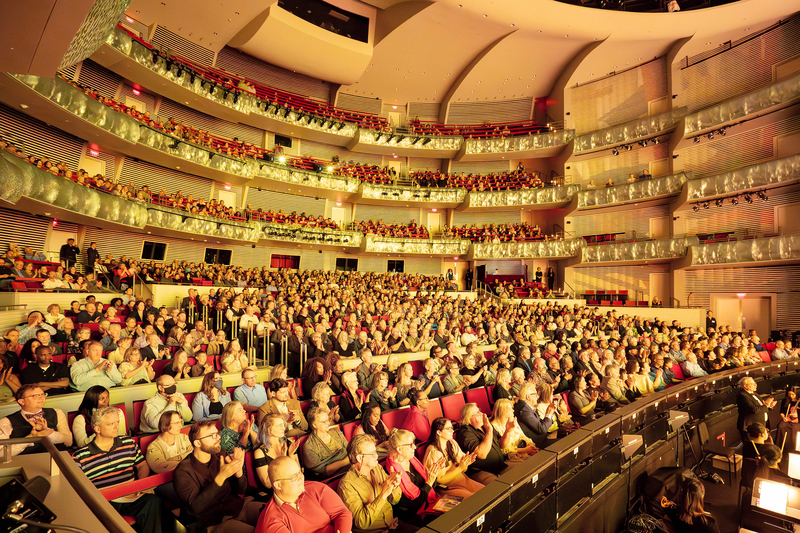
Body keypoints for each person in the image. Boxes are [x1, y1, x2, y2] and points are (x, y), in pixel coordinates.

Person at [73, 407, 162, 533]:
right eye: (110, 424)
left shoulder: (128, 442)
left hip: (131, 495)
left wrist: (140, 484)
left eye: (117, 423)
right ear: (97, 429)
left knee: (152, 501)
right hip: (104, 500)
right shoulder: (81, 456)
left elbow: (142, 465)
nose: (116, 427)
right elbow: (76, 487)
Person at [174, 420, 264, 532]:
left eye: (217, 434)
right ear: (197, 443)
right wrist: (221, 477)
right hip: (215, 521)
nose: (218, 438)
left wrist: (238, 471)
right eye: (212, 436)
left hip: (239, 507)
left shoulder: (220, 456)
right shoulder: (183, 471)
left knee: (275, 515)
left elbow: (241, 489)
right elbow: (197, 507)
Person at [256, 455, 353, 533]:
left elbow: (341, 513)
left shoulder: (316, 488)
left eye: (299, 472)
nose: (301, 478)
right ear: (278, 485)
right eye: (294, 476)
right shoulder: (271, 521)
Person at [385, 428, 445, 524]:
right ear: (399, 449)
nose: (415, 447)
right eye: (410, 445)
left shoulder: (413, 461)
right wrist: (429, 482)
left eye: (414, 443)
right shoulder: (391, 473)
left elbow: (430, 489)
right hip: (413, 516)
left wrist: (433, 474)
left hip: (429, 504)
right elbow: (412, 507)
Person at [0, 385, 72, 456]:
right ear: (22, 401)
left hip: (57, 459)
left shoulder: (57, 412)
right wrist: (30, 438)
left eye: (43, 394)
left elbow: (68, 442)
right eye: (35, 396)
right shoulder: (6, 422)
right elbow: (1, 454)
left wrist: (47, 432)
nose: (41, 398)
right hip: (24, 463)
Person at [424, 418, 484, 498]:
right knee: (474, 499)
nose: (452, 431)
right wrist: (460, 468)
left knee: (486, 492)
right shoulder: (434, 452)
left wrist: (465, 463)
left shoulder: (452, 443)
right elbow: (439, 480)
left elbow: (463, 469)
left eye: (452, 428)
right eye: (448, 429)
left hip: (461, 480)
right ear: (439, 432)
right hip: (445, 488)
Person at [454, 403, 510, 484]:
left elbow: (502, 445)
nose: (482, 414)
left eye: (479, 411)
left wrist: (508, 431)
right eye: (477, 413)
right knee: (501, 486)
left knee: (520, 474)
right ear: (468, 418)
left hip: (500, 466)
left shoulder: (485, 425)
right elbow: (481, 454)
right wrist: (489, 431)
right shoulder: (464, 432)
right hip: (481, 471)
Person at [253, 414, 301, 493]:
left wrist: (291, 456)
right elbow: (268, 483)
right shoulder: (259, 452)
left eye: (283, 424)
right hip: (275, 492)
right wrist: (282, 459)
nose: (283, 428)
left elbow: (299, 473)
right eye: (279, 426)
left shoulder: (288, 444)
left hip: (293, 486)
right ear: (269, 430)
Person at [302, 407, 350, 478]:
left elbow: (350, 450)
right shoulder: (309, 446)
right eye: (324, 422)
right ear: (314, 425)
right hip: (334, 478)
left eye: (328, 419)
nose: (328, 423)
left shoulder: (337, 432)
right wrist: (345, 461)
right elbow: (321, 472)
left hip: (350, 469)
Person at [736, 376, 776, 444]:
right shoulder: (742, 396)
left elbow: (761, 407)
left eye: (755, 383)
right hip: (750, 427)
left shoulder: (754, 394)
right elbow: (754, 410)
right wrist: (766, 405)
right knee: (750, 447)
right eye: (752, 383)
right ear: (745, 386)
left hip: (760, 425)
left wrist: (769, 406)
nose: (755, 385)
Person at [514, 382, 555, 447]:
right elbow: (542, 429)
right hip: (537, 444)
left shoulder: (528, 407)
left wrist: (550, 413)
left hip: (542, 439)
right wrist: (548, 414)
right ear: (528, 397)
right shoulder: (524, 411)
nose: (537, 397)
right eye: (535, 394)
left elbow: (541, 423)